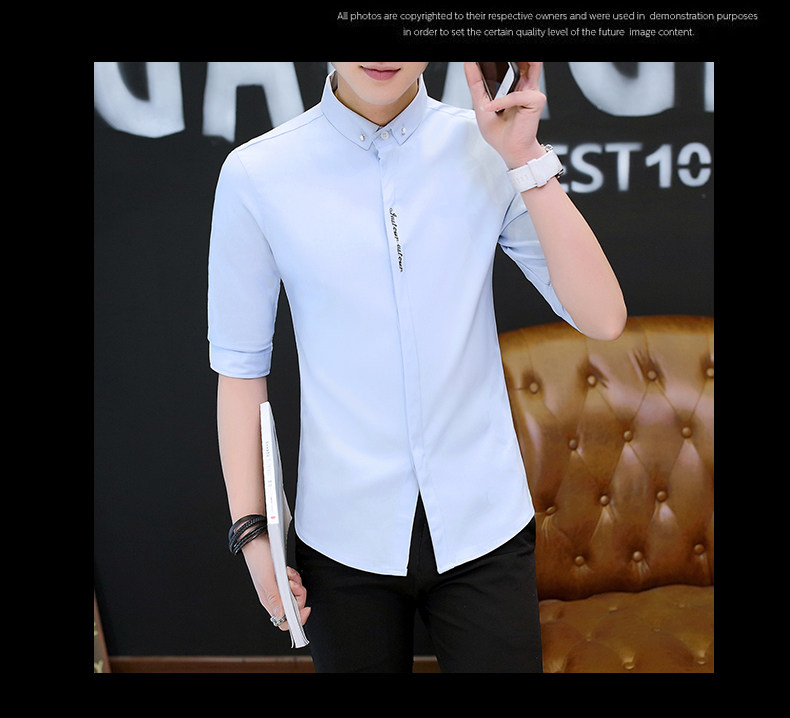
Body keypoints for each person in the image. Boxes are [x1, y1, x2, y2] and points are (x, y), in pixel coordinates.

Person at [208, 62, 626, 673]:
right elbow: (241, 370)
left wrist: (525, 159)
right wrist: (252, 532)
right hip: (342, 535)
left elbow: (603, 318)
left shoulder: (487, 149)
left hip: (485, 525)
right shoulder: (257, 173)